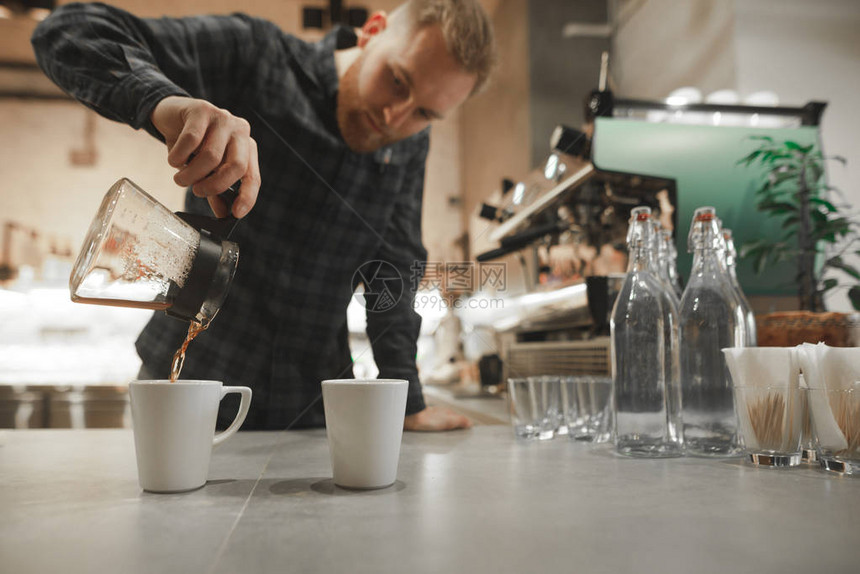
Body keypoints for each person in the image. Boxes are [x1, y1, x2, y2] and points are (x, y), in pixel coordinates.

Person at [32, 0, 496, 431]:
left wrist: (408, 401)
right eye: (397, 80)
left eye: (424, 113)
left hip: (312, 405)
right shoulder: (257, 55)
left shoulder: (409, 144)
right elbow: (68, 31)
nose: (396, 118)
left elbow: (391, 270)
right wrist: (165, 104)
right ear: (371, 32)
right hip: (191, 381)